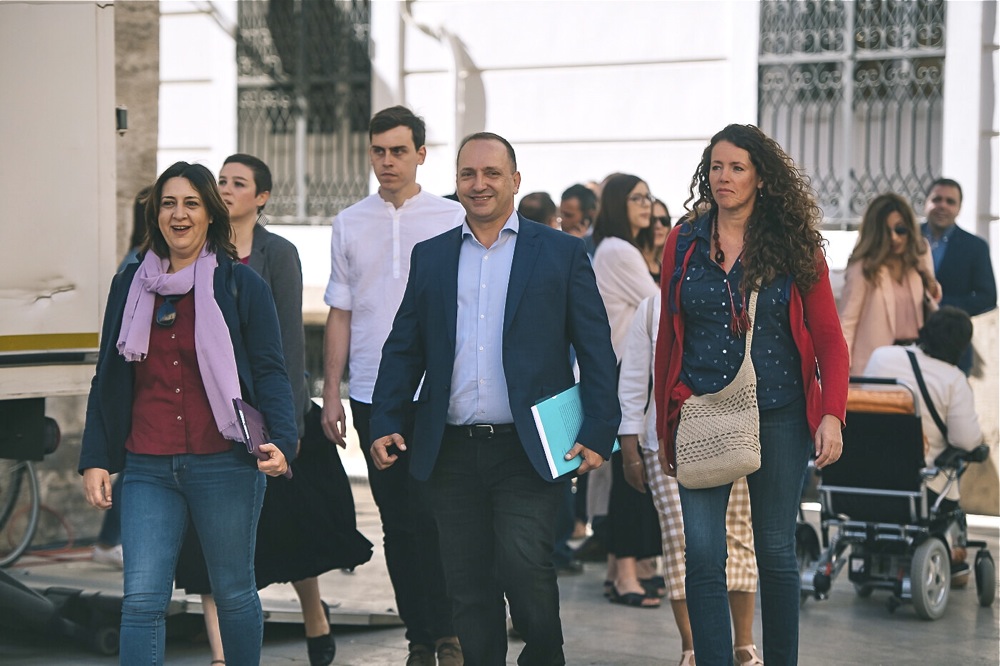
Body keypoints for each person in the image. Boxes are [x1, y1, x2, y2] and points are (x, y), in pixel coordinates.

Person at [369, 132, 620, 665]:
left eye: (491, 174)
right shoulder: (432, 256)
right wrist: (386, 417)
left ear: (515, 180)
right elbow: (404, 346)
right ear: (456, 181)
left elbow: (596, 348)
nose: (478, 184)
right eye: (467, 174)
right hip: (451, 451)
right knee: (468, 584)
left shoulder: (560, 253)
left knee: (526, 569)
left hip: (526, 449)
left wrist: (599, 428)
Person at [79, 161, 297, 665]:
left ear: (210, 214)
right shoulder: (129, 285)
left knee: (235, 592)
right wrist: (96, 456)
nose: (179, 214)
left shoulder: (241, 285)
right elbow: (108, 376)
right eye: (169, 204)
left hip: (225, 463)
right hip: (148, 465)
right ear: (156, 214)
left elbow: (271, 372)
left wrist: (283, 442)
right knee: (141, 603)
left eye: (191, 203)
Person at [654, 124, 849, 665]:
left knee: (777, 552)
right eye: (716, 166)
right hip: (702, 410)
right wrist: (664, 423)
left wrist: (831, 413)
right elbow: (669, 336)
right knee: (704, 556)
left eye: (737, 167)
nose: (724, 177)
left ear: (761, 177)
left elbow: (831, 339)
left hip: (781, 413)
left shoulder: (793, 245)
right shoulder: (684, 241)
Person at [174, 154, 372, 666]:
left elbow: (286, 340)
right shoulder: (194, 249)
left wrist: (285, 424)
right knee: (209, 540)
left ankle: (313, 612)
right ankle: (223, 657)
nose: (226, 189)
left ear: (261, 197)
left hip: (265, 413)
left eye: (238, 183)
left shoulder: (276, 254)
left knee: (289, 533)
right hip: (205, 417)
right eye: (221, 181)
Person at [320, 105, 463, 666]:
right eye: (378, 151)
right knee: (400, 524)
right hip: (375, 396)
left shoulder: (450, 218)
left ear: (421, 154)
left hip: (440, 394)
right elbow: (340, 313)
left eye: (398, 151)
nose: (387, 161)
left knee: (443, 517)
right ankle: (421, 638)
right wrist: (331, 393)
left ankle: (450, 630)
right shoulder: (349, 221)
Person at [620, 294, 760, 666]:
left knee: (738, 534)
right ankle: (692, 647)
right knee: (681, 542)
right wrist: (629, 448)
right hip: (667, 440)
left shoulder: (741, 296)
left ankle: (744, 646)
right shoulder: (651, 307)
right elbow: (633, 379)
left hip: (735, 433)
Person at [591, 173, 663, 608]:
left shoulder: (619, 249)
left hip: (624, 370)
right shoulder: (619, 251)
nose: (646, 204)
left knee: (628, 475)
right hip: (623, 371)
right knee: (628, 477)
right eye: (637, 198)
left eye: (648, 197)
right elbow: (661, 304)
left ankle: (623, 570)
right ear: (618, 203)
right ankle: (626, 576)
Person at [863, 306, 983, 509]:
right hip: (922, 487)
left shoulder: (881, 357)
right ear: (961, 347)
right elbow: (965, 441)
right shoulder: (954, 380)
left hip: (866, 478)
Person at [92, 185, 154, 570]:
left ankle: (110, 539)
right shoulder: (136, 263)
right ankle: (109, 539)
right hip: (138, 382)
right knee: (134, 466)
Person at [839, 192, 941, 375]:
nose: (894, 238)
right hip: (875, 364)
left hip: (917, 360)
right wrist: (841, 373)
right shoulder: (864, 266)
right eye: (886, 232)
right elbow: (848, 321)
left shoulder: (919, 254)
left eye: (900, 229)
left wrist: (924, 270)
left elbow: (932, 297)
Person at [921, 178, 997, 373]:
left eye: (950, 201)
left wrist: (941, 305)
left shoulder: (975, 247)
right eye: (937, 199)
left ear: (959, 208)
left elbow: (987, 297)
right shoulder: (905, 238)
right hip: (908, 339)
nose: (942, 206)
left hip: (953, 344)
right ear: (926, 202)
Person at [637, 198, 672, 282]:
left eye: (664, 220)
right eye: (652, 220)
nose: (659, 226)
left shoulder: (667, 269)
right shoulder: (632, 261)